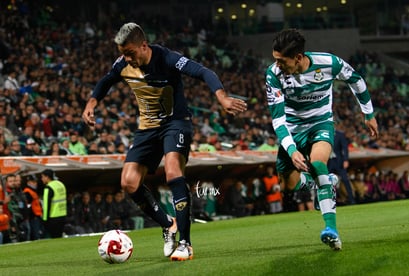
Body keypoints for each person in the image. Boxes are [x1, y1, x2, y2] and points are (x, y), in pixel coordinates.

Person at [82, 22, 247, 261]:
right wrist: (91, 105)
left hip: (176, 123)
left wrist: (221, 98)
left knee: (172, 173)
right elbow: (105, 81)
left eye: (129, 52)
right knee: (128, 183)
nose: (126, 58)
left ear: (144, 46)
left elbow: (204, 72)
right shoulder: (122, 64)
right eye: (122, 53)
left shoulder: (167, 58)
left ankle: (185, 243)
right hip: (147, 129)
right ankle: (168, 223)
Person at [265, 28, 379, 250]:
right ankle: (319, 182)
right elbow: (278, 120)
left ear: (298, 57)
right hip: (292, 129)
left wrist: (369, 113)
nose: (277, 65)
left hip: (321, 123)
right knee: (288, 186)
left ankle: (331, 229)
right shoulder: (273, 74)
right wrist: (291, 150)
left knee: (318, 164)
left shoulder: (329, 63)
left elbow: (356, 79)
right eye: (275, 59)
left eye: (281, 60)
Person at [328, 128, 355, 205]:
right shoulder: (324, 134)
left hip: (338, 161)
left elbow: (345, 148)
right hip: (328, 161)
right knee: (327, 182)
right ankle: (330, 201)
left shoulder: (340, 134)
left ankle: (351, 199)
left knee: (345, 180)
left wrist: (346, 160)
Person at [41, 169, 67, 238]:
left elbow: (46, 205)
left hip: (53, 217)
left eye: (42, 177)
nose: (42, 179)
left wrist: (45, 219)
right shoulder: (61, 184)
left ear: (47, 177)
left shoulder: (48, 187)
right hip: (63, 215)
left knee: (54, 239)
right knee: (60, 237)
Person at [23, 174, 43, 240]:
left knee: (37, 234)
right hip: (33, 217)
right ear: (28, 183)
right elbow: (28, 206)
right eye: (33, 182)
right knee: (36, 235)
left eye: (35, 182)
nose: (35, 183)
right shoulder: (27, 192)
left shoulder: (32, 191)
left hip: (36, 215)